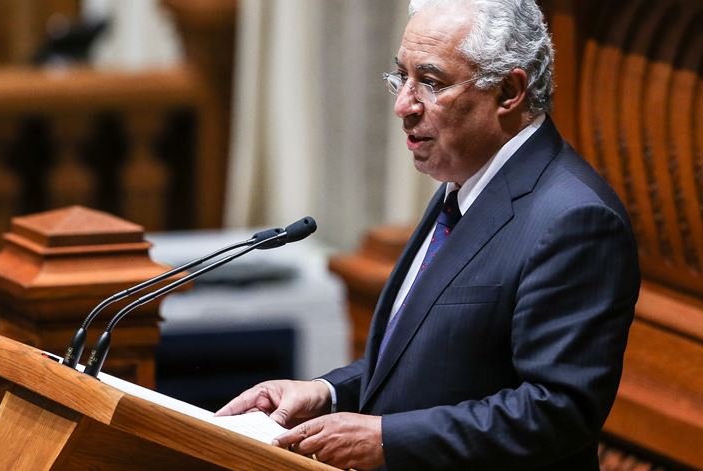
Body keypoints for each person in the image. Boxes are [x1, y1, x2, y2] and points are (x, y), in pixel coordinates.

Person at [216, 0, 640, 469]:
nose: (403, 105)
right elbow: (430, 357)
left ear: (509, 90)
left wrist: (387, 439)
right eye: (402, 77)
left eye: (432, 83)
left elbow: (557, 411)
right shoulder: (463, 182)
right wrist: (329, 392)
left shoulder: (574, 219)